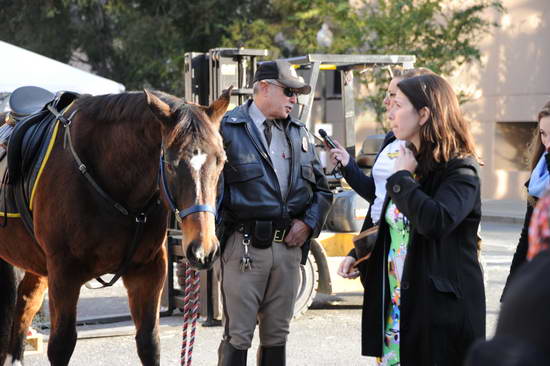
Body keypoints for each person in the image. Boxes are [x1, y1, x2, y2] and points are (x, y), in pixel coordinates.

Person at [346, 73, 485, 365]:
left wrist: (401, 179)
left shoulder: (460, 169)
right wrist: (357, 254)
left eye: (397, 104)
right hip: (398, 305)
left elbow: (435, 222)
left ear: (423, 114)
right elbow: (394, 227)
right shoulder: (407, 163)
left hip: (438, 315)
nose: (389, 111)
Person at [216, 59, 333, 366]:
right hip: (244, 248)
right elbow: (204, 188)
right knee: (238, 335)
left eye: (297, 93)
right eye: (289, 92)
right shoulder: (227, 128)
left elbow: (322, 190)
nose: (295, 99)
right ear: (264, 88)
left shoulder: (299, 132)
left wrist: (308, 225)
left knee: (277, 336)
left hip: (289, 250)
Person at [330, 67, 433, 280]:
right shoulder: (390, 140)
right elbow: (378, 197)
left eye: (395, 98)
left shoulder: (433, 155)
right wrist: (349, 165)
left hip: (404, 248)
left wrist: (403, 178)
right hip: (380, 241)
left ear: (421, 109)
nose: (387, 103)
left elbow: (431, 217)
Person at [502, 101, 550, 298]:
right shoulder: (540, 174)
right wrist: (511, 290)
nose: (548, 143)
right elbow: (526, 236)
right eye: (544, 134)